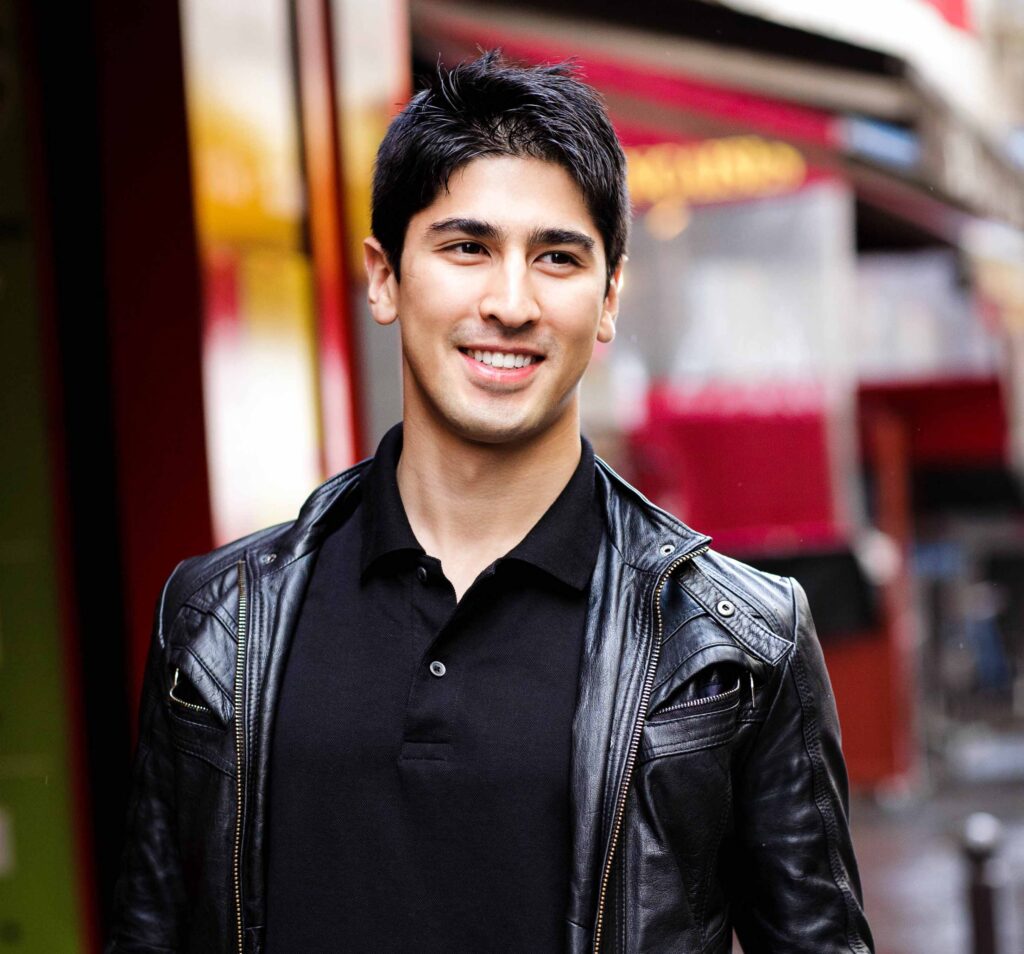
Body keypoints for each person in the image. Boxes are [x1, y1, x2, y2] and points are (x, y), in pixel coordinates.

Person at [108, 51, 873, 954]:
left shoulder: (738, 642)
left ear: (608, 298)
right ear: (384, 277)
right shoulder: (214, 621)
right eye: (467, 247)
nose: (511, 303)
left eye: (556, 256)